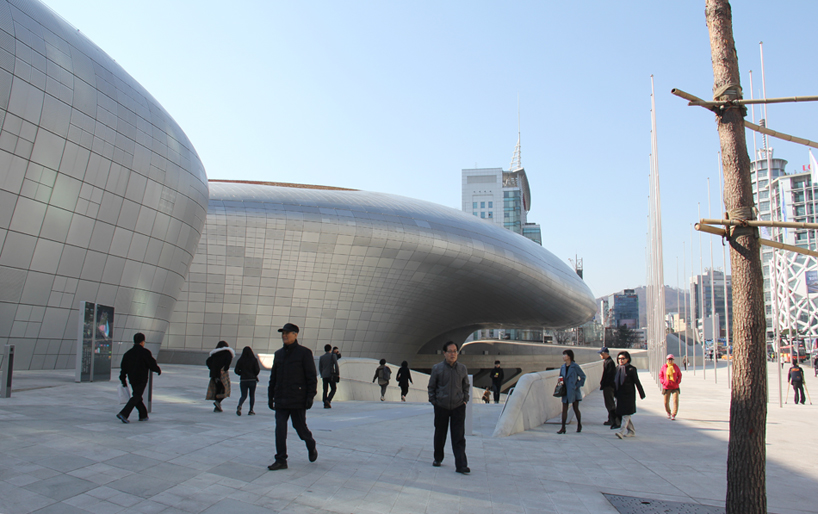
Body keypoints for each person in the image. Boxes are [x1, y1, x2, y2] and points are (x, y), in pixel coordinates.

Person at [267, 323, 318, 470]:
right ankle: (281, 459)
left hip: (297, 399)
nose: (284, 335)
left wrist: (310, 397)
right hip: (281, 399)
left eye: (287, 333)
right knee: (280, 429)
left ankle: (310, 443)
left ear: (295, 334)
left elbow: (311, 377)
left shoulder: (304, 353)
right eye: (283, 333)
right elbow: (273, 378)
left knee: (300, 428)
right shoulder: (278, 354)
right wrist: (271, 396)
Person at [428, 341, 470, 474]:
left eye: (455, 351)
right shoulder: (437, 368)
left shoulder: (462, 369)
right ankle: (438, 458)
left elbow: (466, 386)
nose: (453, 354)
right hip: (442, 406)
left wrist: (465, 400)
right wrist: (435, 401)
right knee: (440, 434)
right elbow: (431, 387)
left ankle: (461, 465)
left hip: (458, 406)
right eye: (450, 351)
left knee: (458, 436)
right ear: (444, 353)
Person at [117, 332, 161, 423]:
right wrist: (157, 370)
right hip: (142, 379)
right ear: (142, 342)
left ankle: (143, 415)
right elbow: (151, 364)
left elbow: (123, 368)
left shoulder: (127, 354)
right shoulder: (145, 352)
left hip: (132, 379)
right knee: (136, 396)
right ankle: (124, 413)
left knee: (137, 396)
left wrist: (123, 379)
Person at [614, 351, 646, 438]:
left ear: (627, 359)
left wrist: (641, 394)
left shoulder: (631, 369)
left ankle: (621, 431)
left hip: (628, 395)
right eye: (619, 358)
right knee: (624, 414)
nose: (621, 360)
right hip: (619, 395)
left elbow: (637, 382)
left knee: (626, 414)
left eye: (623, 358)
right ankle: (631, 431)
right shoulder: (617, 369)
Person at [557, 349, 586, 434]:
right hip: (565, 390)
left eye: (565, 355)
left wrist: (577, 385)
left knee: (576, 408)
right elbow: (560, 377)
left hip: (573, 391)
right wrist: (560, 386)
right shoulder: (562, 367)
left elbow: (583, 376)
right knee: (564, 409)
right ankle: (563, 427)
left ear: (569, 356)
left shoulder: (575, 366)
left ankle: (579, 424)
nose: (563, 357)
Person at [206, 341, 235, 412]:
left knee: (217, 389)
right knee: (225, 389)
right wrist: (225, 368)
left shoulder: (214, 354)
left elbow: (208, 362)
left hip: (214, 375)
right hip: (222, 374)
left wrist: (212, 368)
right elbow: (227, 363)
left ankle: (217, 406)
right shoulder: (227, 353)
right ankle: (218, 402)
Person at [234, 346, 260, 416]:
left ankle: (240, 405)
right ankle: (251, 410)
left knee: (243, 395)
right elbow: (257, 370)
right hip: (252, 380)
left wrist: (241, 374)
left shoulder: (240, 360)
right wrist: (254, 375)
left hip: (243, 380)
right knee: (252, 395)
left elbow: (236, 370)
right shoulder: (254, 360)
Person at [598, 347, 618, 428]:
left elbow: (609, 375)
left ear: (605, 354)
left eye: (601, 354)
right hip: (608, 385)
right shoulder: (607, 362)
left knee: (609, 403)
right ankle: (612, 419)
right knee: (609, 403)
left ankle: (613, 420)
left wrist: (605, 384)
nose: (600, 355)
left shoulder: (609, 363)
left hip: (609, 386)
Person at [659, 354, 682, 420]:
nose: (670, 361)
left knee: (675, 400)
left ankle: (674, 414)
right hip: (666, 387)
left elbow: (679, 375)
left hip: (675, 387)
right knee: (666, 402)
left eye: (671, 359)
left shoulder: (676, 367)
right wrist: (663, 381)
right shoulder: (664, 367)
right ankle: (668, 412)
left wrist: (678, 381)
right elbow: (661, 375)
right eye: (669, 359)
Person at [318, 344, 339, 408]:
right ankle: (328, 400)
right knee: (333, 388)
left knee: (325, 389)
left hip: (324, 375)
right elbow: (336, 365)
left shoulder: (321, 357)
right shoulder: (333, 356)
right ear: (330, 349)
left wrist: (322, 374)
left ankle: (325, 403)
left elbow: (320, 367)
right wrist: (337, 374)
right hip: (331, 374)